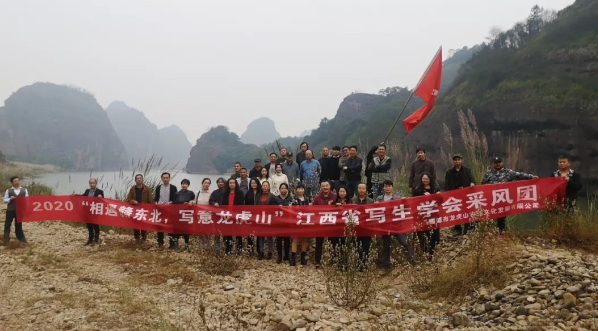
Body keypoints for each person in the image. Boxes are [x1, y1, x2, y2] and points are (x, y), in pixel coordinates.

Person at [481, 157, 538, 232]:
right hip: (491, 199)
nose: (497, 164)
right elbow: (482, 184)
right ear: (493, 164)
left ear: (502, 163)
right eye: (496, 163)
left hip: (503, 199)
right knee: (489, 217)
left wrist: (531, 177)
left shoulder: (508, 172)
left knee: (501, 218)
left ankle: (501, 233)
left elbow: (519, 175)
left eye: (499, 162)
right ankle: (488, 233)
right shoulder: (488, 173)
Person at [376, 180, 415, 270]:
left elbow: (406, 208)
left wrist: (405, 201)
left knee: (405, 243)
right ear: (383, 187)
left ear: (392, 187)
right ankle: (386, 266)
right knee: (386, 246)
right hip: (385, 226)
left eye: (389, 186)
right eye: (386, 186)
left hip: (397, 225)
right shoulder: (379, 198)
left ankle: (414, 261)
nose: (387, 188)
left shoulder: (398, 198)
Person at [444, 154, 476, 236]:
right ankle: (457, 229)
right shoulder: (449, 172)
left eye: (459, 159)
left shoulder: (467, 170)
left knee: (466, 211)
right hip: (454, 195)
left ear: (462, 160)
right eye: (455, 160)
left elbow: (472, 179)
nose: (457, 161)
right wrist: (447, 194)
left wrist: (472, 183)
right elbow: (446, 184)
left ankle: (467, 227)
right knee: (455, 211)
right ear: (453, 161)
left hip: (465, 194)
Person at [413, 172, 441, 261]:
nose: (425, 180)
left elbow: (441, 201)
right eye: (423, 179)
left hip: (433, 213)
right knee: (423, 233)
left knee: (434, 233)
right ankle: (425, 250)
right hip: (422, 214)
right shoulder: (417, 189)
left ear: (430, 179)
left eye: (427, 179)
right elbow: (414, 201)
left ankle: (432, 251)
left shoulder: (435, 188)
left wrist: (439, 195)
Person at [312, 181, 337, 268]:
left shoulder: (335, 196)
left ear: (330, 187)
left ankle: (333, 260)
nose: (325, 187)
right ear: (320, 188)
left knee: (333, 242)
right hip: (321, 224)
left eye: (327, 186)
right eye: (323, 186)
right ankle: (317, 261)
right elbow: (313, 210)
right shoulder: (317, 198)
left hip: (332, 223)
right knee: (319, 243)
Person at [73, 178, 104, 246]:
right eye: (90, 183)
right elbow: (82, 197)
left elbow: (103, 201)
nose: (92, 184)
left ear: (96, 184)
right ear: (89, 184)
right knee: (89, 226)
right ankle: (90, 240)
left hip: (95, 211)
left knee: (95, 226)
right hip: (87, 212)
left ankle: (96, 240)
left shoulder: (100, 191)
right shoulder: (87, 191)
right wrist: (75, 196)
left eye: (93, 183)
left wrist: (100, 197)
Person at [350, 183, 374, 269]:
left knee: (366, 246)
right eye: (359, 188)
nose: (361, 190)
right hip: (355, 227)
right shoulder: (352, 200)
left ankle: (364, 264)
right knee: (356, 246)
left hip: (366, 228)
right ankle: (356, 264)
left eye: (363, 188)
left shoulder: (371, 201)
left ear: (366, 190)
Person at [220, 178, 245, 255]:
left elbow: (241, 205)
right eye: (230, 183)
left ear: (236, 184)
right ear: (228, 184)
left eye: (233, 183)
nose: (232, 184)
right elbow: (223, 204)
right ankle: (228, 250)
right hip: (228, 216)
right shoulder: (225, 193)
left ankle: (239, 250)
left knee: (238, 234)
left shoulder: (240, 193)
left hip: (236, 216)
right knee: (228, 234)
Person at [126, 174, 153, 242]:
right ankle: (137, 239)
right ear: (135, 180)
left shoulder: (147, 189)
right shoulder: (132, 188)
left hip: (144, 210)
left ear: (142, 179)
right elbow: (129, 198)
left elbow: (150, 200)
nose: (139, 179)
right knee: (135, 225)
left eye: (140, 178)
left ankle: (144, 239)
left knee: (143, 225)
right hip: (135, 210)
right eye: (137, 178)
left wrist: (150, 208)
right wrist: (133, 201)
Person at [154, 172, 178, 248]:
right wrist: (156, 202)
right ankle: (160, 242)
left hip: (169, 210)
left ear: (169, 178)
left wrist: (170, 202)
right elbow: (156, 197)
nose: (165, 179)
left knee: (170, 226)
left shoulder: (173, 188)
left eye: (167, 178)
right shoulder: (158, 187)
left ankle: (172, 244)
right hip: (160, 209)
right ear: (162, 179)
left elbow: (175, 199)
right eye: (164, 178)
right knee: (160, 226)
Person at [3, 176, 29, 244]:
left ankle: (21, 238)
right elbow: (5, 200)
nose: (17, 182)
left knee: (19, 224)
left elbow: (27, 199)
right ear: (12, 182)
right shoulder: (8, 190)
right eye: (15, 181)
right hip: (10, 210)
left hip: (20, 210)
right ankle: (6, 238)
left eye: (18, 181)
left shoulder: (24, 190)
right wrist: (10, 199)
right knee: (7, 224)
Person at [256, 181, 278, 260]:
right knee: (261, 236)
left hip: (269, 218)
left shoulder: (272, 196)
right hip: (260, 218)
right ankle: (261, 252)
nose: (265, 187)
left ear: (269, 187)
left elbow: (275, 207)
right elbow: (255, 206)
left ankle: (270, 252)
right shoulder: (258, 196)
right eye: (263, 185)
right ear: (261, 187)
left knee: (269, 236)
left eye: (266, 186)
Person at [172, 179, 195, 252]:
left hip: (186, 215)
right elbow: (173, 203)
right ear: (181, 184)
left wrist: (191, 202)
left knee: (186, 231)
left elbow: (194, 201)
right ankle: (176, 245)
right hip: (178, 215)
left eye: (186, 184)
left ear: (188, 185)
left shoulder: (191, 193)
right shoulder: (177, 193)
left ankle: (187, 245)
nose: (184, 185)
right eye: (183, 184)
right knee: (176, 230)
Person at [291, 183, 310, 266]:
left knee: (304, 240)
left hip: (306, 221)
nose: (300, 190)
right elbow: (291, 210)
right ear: (296, 190)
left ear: (304, 190)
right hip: (296, 221)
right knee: (295, 240)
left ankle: (303, 258)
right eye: (298, 189)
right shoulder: (294, 199)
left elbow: (311, 209)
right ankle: (293, 259)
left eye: (302, 189)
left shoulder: (307, 199)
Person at [275, 183, 293, 264]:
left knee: (287, 239)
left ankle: (286, 255)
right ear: (279, 189)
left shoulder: (290, 198)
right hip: (278, 222)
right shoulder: (276, 199)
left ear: (287, 189)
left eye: (285, 188)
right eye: (282, 188)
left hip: (288, 222)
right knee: (278, 240)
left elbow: (295, 209)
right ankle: (279, 256)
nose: (283, 190)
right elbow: (272, 210)